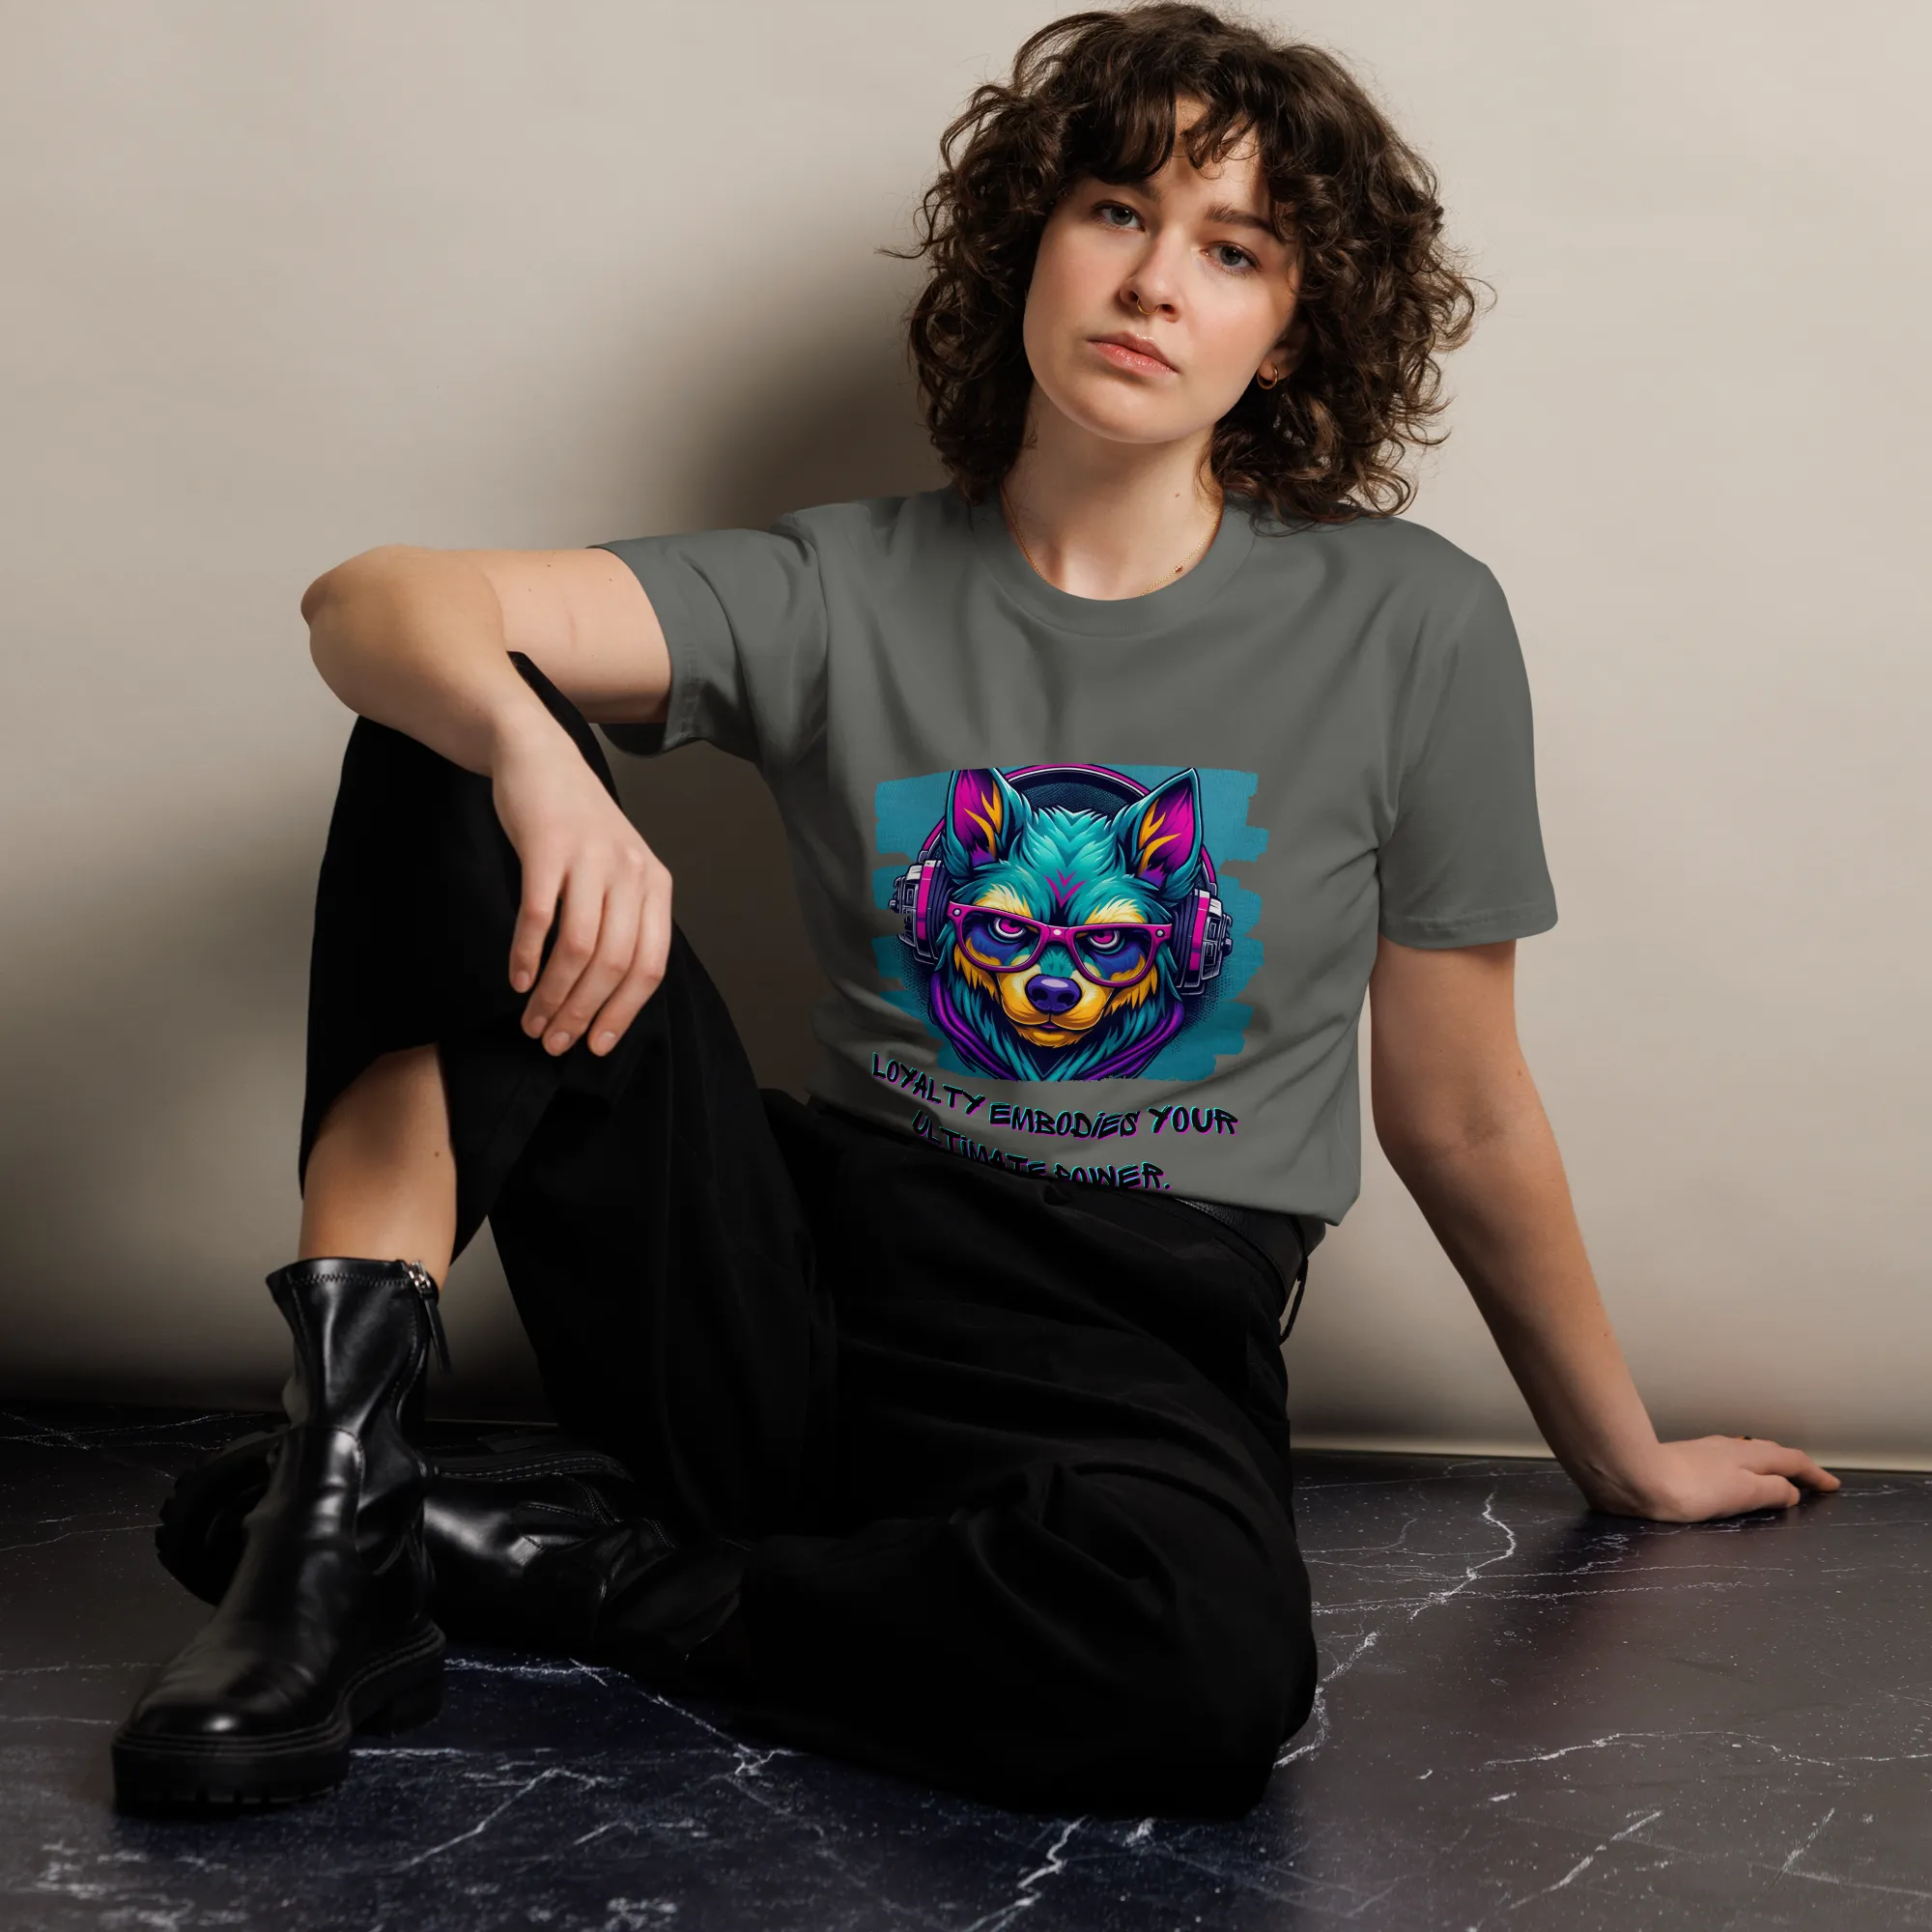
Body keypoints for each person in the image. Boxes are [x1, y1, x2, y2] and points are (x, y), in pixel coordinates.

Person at [110, 1, 1838, 1819]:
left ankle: (558, 1569)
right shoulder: (840, 582)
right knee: (442, 730)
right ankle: (333, 1509)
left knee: (1199, 1670)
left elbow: (1461, 1105)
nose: (1155, 280)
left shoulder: (1414, 623)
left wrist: (1619, 1455)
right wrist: (535, 756)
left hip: (1131, 1327)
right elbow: (372, 602)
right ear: (1033, 241)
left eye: (1234, 249)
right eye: (1118, 211)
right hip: (789, 1284)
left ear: (1291, 331)